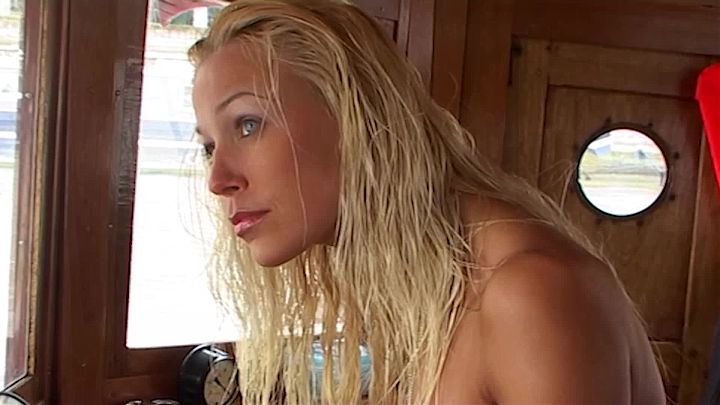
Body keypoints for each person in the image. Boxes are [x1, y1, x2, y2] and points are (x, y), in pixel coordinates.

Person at [188, 0, 666, 403]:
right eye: (209, 146)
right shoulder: (418, 292)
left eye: (247, 124)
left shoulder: (527, 293)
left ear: (357, 114)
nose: (218, 179)